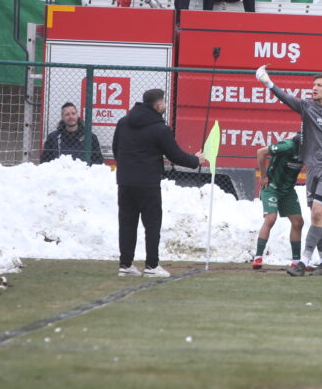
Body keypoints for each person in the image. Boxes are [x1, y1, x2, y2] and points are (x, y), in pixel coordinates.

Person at [255, 66, 322, 275]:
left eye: (319, 85)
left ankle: (302, 261)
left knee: (318, 212)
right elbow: (285, 97)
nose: (314, 88)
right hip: (313, 168)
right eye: (313, 84)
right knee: (316, 216)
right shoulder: (307, 107)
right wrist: (267, 82)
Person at [112, 88, 207, 277]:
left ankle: (126, 265)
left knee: (127, 223)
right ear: (158, 105)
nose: (165, 104)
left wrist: (127, 168)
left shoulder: (123, 123)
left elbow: (116, 149)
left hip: (125, 182)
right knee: (152, 225)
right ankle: (152, 266)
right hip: (148, 183)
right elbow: (175, 155)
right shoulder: (159, 128)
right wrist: (196, 160)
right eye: (164, 102)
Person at [253, 134, 305, 270]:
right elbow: (261, 152)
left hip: (288, 190)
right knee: (271, 218)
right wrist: (263, 176)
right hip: (272, 187)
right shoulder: (288, 146)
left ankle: (296, 261)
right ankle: (258, 258)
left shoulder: (311, 148)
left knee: (298, 222)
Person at [40, 102, 105, 165]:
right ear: (62, 117)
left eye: (73, 113)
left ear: (77, 115)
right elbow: (44, 161)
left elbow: (98, 160)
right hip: (59, 174)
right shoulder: (53, 137)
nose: (71, 117)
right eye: (67, 114)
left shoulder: (90, 137)